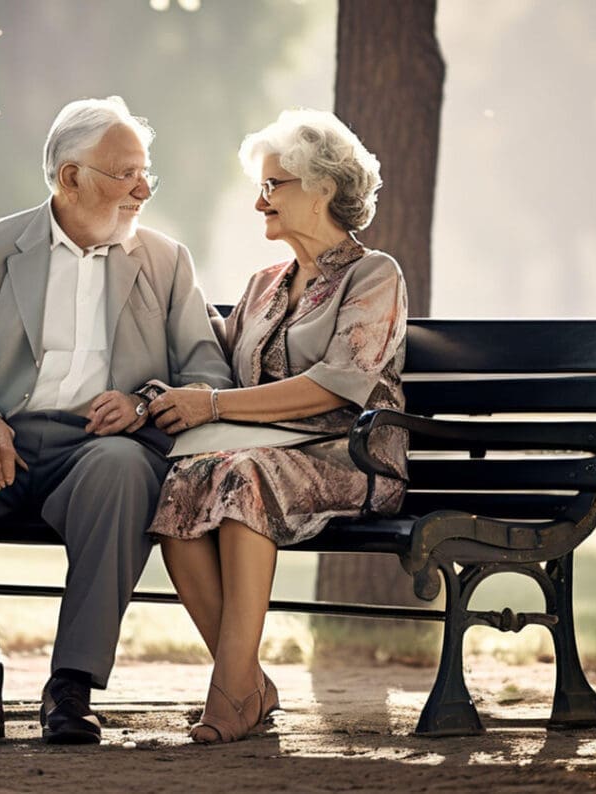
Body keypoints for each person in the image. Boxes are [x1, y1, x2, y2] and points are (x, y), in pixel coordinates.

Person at [0, 96, 232, 746]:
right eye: (125, 172)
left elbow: (207, 371)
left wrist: (142, 402)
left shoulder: (165, 261)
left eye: (146, 171)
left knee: (127, 471)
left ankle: (71, 688)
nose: (143, 187)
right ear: (70, 177)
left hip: (100, 447)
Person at [146, 109, 408, 744]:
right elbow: (216, 366)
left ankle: (230, 693)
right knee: (182, 485)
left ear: (322, 189)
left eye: (274, 184)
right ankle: (245, 682)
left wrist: (211, 407)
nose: (259, 198)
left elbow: (335, 382)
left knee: (240, 476)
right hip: (262, 455)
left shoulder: (375, 275)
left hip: (350, 460)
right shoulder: (263, 284)